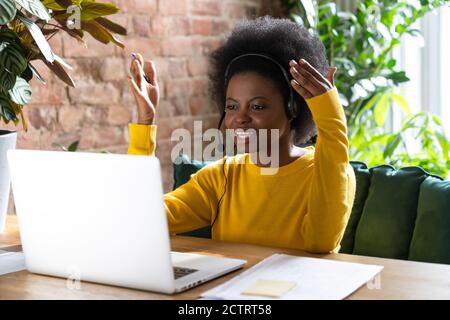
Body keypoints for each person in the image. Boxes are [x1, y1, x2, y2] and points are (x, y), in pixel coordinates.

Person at [126, 16, 356, 253]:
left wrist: (330, 113)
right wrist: (145, 122)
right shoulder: (222, 176)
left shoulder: (327, 172)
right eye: (232, 106)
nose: (240, 118)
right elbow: (143, 219)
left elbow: (320, 241)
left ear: (292, 107)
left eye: (257, 106)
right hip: (225, 290)